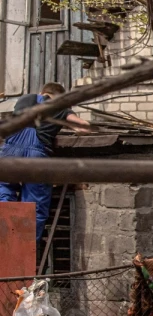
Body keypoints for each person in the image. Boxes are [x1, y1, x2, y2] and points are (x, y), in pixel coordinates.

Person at [0, 81, 93, 240]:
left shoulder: (25, 99)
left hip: (10, 152)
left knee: (4, 192)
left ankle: (4, 240)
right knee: (34, 206)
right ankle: (24, 248)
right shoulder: (61, 108)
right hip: (36, 157)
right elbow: (82, 127)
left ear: (43, 92)